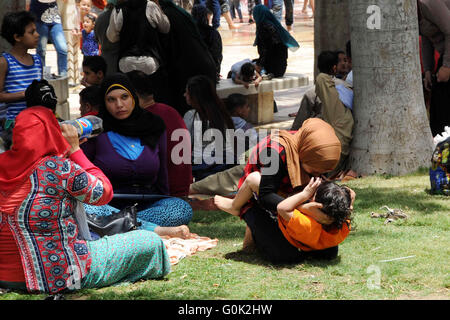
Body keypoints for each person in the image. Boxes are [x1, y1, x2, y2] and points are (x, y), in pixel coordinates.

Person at [0, 106, 170, 294]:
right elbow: (104, 192)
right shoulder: (59, 168)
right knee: (149, 242)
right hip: (62, 276)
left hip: (6, 277)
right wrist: (75, 150)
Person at [81, 73, 193, 239]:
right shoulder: (96, 130)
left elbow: (162, 174)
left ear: (133, 97)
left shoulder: (154, 125)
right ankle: (154, 230)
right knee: (85, 208)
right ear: (104, 103)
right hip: (108, 205)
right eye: (111, 100)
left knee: (180, 208)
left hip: (147, 204)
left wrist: (166, 198)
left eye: (124, 97)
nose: (119, 104)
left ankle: (117, 226)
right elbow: (83, 172)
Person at [229, 118, 345, 263]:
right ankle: (252, 227)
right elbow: (266, 196)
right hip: (258, 200)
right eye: (314, 171)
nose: (317, 176)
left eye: (324, 172)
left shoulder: (314, 151)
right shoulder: (275, 153)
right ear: (303, 155)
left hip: (294, 200)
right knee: (284, 257)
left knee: (327, 252)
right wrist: (304, 208)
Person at [214, 172, 353, 252]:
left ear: (317, 206)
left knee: (254, 192)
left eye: (313, 196)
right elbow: (351, 194)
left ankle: (238, 208)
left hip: (280, 246)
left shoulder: (307, 225)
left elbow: (282, 208)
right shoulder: (343, 223)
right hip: (316, 247)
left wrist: (304, 195)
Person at [127, 70, 193, 197]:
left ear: (133, 95)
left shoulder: (143, 119)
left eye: (123, 97)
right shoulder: (170, 111)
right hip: (183, 187)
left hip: (163, 194)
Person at [292, 51, 354, 179]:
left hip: (334, 145)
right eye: (341, 61)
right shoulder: (344, 87)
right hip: (337, 142)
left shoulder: (323, 84)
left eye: (345, 60)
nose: (345, 63)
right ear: (334, 68)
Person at [183, 75, 236, 181]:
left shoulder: (191, 116)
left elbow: (184, 148)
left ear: (195, 96)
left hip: (202, 170)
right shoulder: (223, 114)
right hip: (225, 167)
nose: (184, 95)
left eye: (187, 93)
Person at [0, 11, 42, 143]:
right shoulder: (4, 62)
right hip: (14, 124)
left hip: (36, 121)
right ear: (17, 37)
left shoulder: (37, 60)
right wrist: (27, 94)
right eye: (31, 32)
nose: (37, 35)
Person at [418, 0, 450, 136]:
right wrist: (428, 70)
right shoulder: (409, 14)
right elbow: (426, 39)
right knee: (437, 116)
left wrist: (447, 66)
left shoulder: (428, 3)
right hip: (442, 57)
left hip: (447, 58)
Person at [253, 4, 299, 78]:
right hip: (281, 67)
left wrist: (259, 65)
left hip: (272, 69)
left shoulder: (263, 27)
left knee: (245, 67)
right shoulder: (274, 25)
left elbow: (266, 50)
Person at [28, 0, 68, 77]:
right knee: (41, 50)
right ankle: (42, 76)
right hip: (39, 17)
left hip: (54, 18)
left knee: (62, 48)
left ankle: (63, 75)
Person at [191, 4, 223, 83]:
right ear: (205, 16)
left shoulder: (189, 32)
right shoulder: (213, 33)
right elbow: (217, 55)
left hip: (192, 73)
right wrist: (216, 72)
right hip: (210, 72)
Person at [94, 0, 121, 76]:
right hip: (118, 59)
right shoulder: (121, 16)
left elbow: (96, 38)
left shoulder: (100, 18)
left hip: (105, 58)